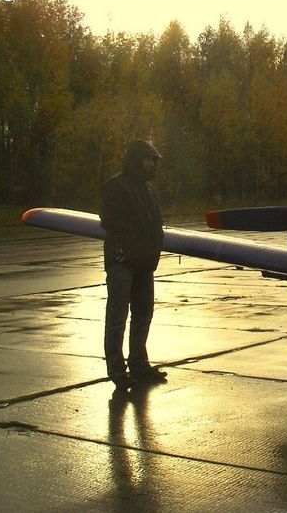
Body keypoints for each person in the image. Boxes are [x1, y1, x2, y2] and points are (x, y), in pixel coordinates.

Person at [99, 139, 167, 390]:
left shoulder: (150, 191)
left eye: (153, 161)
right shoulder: (115, 186)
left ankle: (139, 364)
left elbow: (156, 226)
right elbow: (111, 222)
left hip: (144, 264)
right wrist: (135, 247)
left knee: (143, 315)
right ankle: (117, 370)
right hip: (122, 263)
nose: (150, 165)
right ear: (136, 159)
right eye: (147, 159)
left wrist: (153, 251)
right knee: (117, 317)